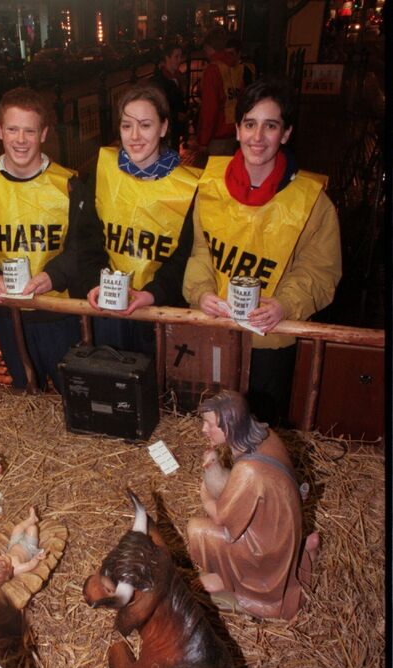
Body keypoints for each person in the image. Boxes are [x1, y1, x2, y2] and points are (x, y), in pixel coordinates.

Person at [183, 76, 342, 425]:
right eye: (250, 124)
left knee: (261, 427)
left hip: (271, 340)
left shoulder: (313, 201)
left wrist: (285, 304)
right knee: (213, 423)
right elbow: (200, 252)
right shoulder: (208, 186)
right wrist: (201, 293)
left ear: (285, 134)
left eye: (270, 126)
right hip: (218, 332)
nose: (258, 137)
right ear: (237, 129)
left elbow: (320, 270)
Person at [0, 87, 83, 391]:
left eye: (29, 131)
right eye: (12, 129)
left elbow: (83, 244)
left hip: (57, 314)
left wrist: (53, 275)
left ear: (43, 133)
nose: (20, 140)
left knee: (72, 393)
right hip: (7, 315)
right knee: (24, 394)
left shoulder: (69, 184)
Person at [77, 82, 199, 353]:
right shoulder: (102, 171)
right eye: (126, 125)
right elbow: (86, 238)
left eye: (145, 125)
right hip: (107, 306)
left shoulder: (189, 188)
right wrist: (93, 283)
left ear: (164, 128)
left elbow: (186, 258)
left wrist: (154, 294)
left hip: (159, 311)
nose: (134, 136)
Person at [187, 390, 318, 620]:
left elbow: (221, 518)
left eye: (210, 425)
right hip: (281, 531)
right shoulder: (267, 436)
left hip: (265, 551)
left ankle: (233, 582)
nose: (203, 430)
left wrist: (205, 494)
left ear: (229, 426)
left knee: (196, 529)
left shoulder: (247, 471)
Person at [196, 26, 246, 159]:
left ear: (208, 47)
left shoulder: (213, 70)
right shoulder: (235, 67)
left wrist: (203, 140)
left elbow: (210, 109)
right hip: (233, 129)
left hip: (217, 134)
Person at [152, 41, 188, 151]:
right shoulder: (159, 80)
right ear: (167, 58)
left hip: (175, 128)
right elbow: (158, 106)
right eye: (176, 57)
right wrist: (175, 114)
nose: (179, 60)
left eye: (180, 56)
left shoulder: (178, 77)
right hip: (166, 130)